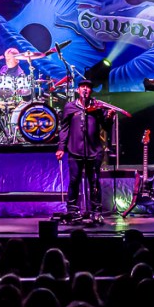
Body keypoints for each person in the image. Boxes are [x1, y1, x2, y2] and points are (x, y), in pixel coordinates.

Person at [56, 79, 115, 224]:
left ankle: (96, 211)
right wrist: (61, 147)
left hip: (94, 151)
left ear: (91, 91)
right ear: (78, 90)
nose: (85, 89)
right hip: (74, 150)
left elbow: (106, 127)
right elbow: (64, 129)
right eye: (82, 87)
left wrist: (109, 118)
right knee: (74, 181)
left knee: (94, 181)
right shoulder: (70, 107)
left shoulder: (97, 108)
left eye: (88, 87)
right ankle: (72, 211)